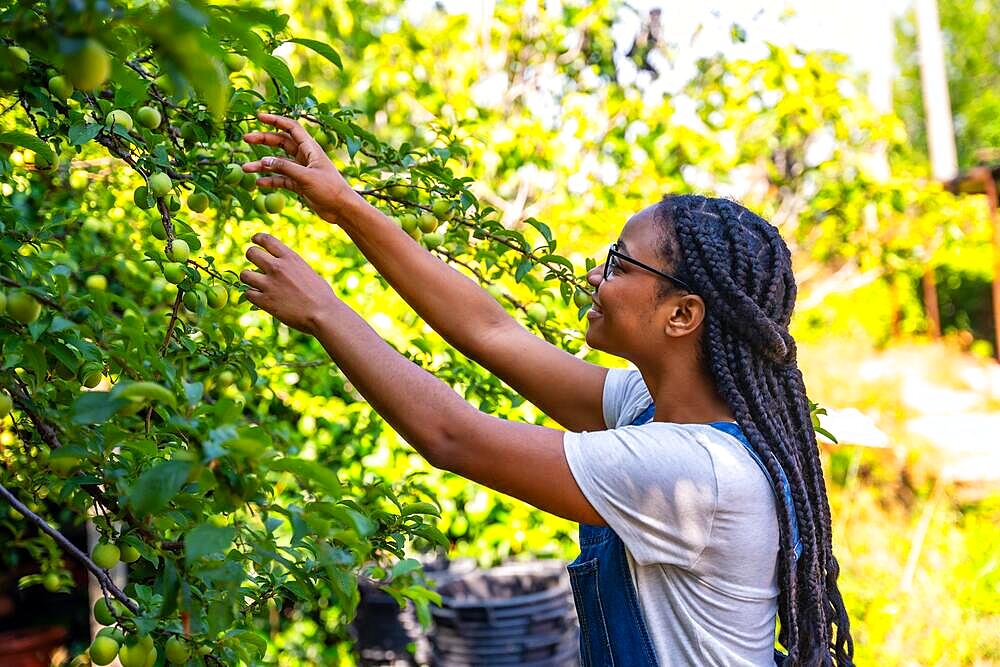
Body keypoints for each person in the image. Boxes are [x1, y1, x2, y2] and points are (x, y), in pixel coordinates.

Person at [237, 113, 855, 666]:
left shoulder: (692, 473)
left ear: (681, 315)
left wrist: (324, 311)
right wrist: (344, 204)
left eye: (619, 263)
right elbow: (492, 331)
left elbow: (452, 436)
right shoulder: (650, 407)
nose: (595, 275)